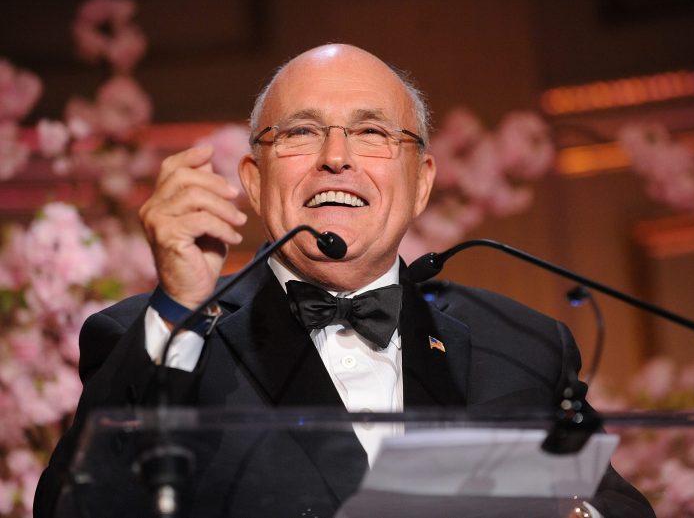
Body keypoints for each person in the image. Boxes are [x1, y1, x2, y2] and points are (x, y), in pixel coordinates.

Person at [34, 44, 654, 518]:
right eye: (302, 132)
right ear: (253, 181)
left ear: (422, 181)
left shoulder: (520, 345)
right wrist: (180, 310)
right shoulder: (156, 334)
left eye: (372, 132)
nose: (338, 155)